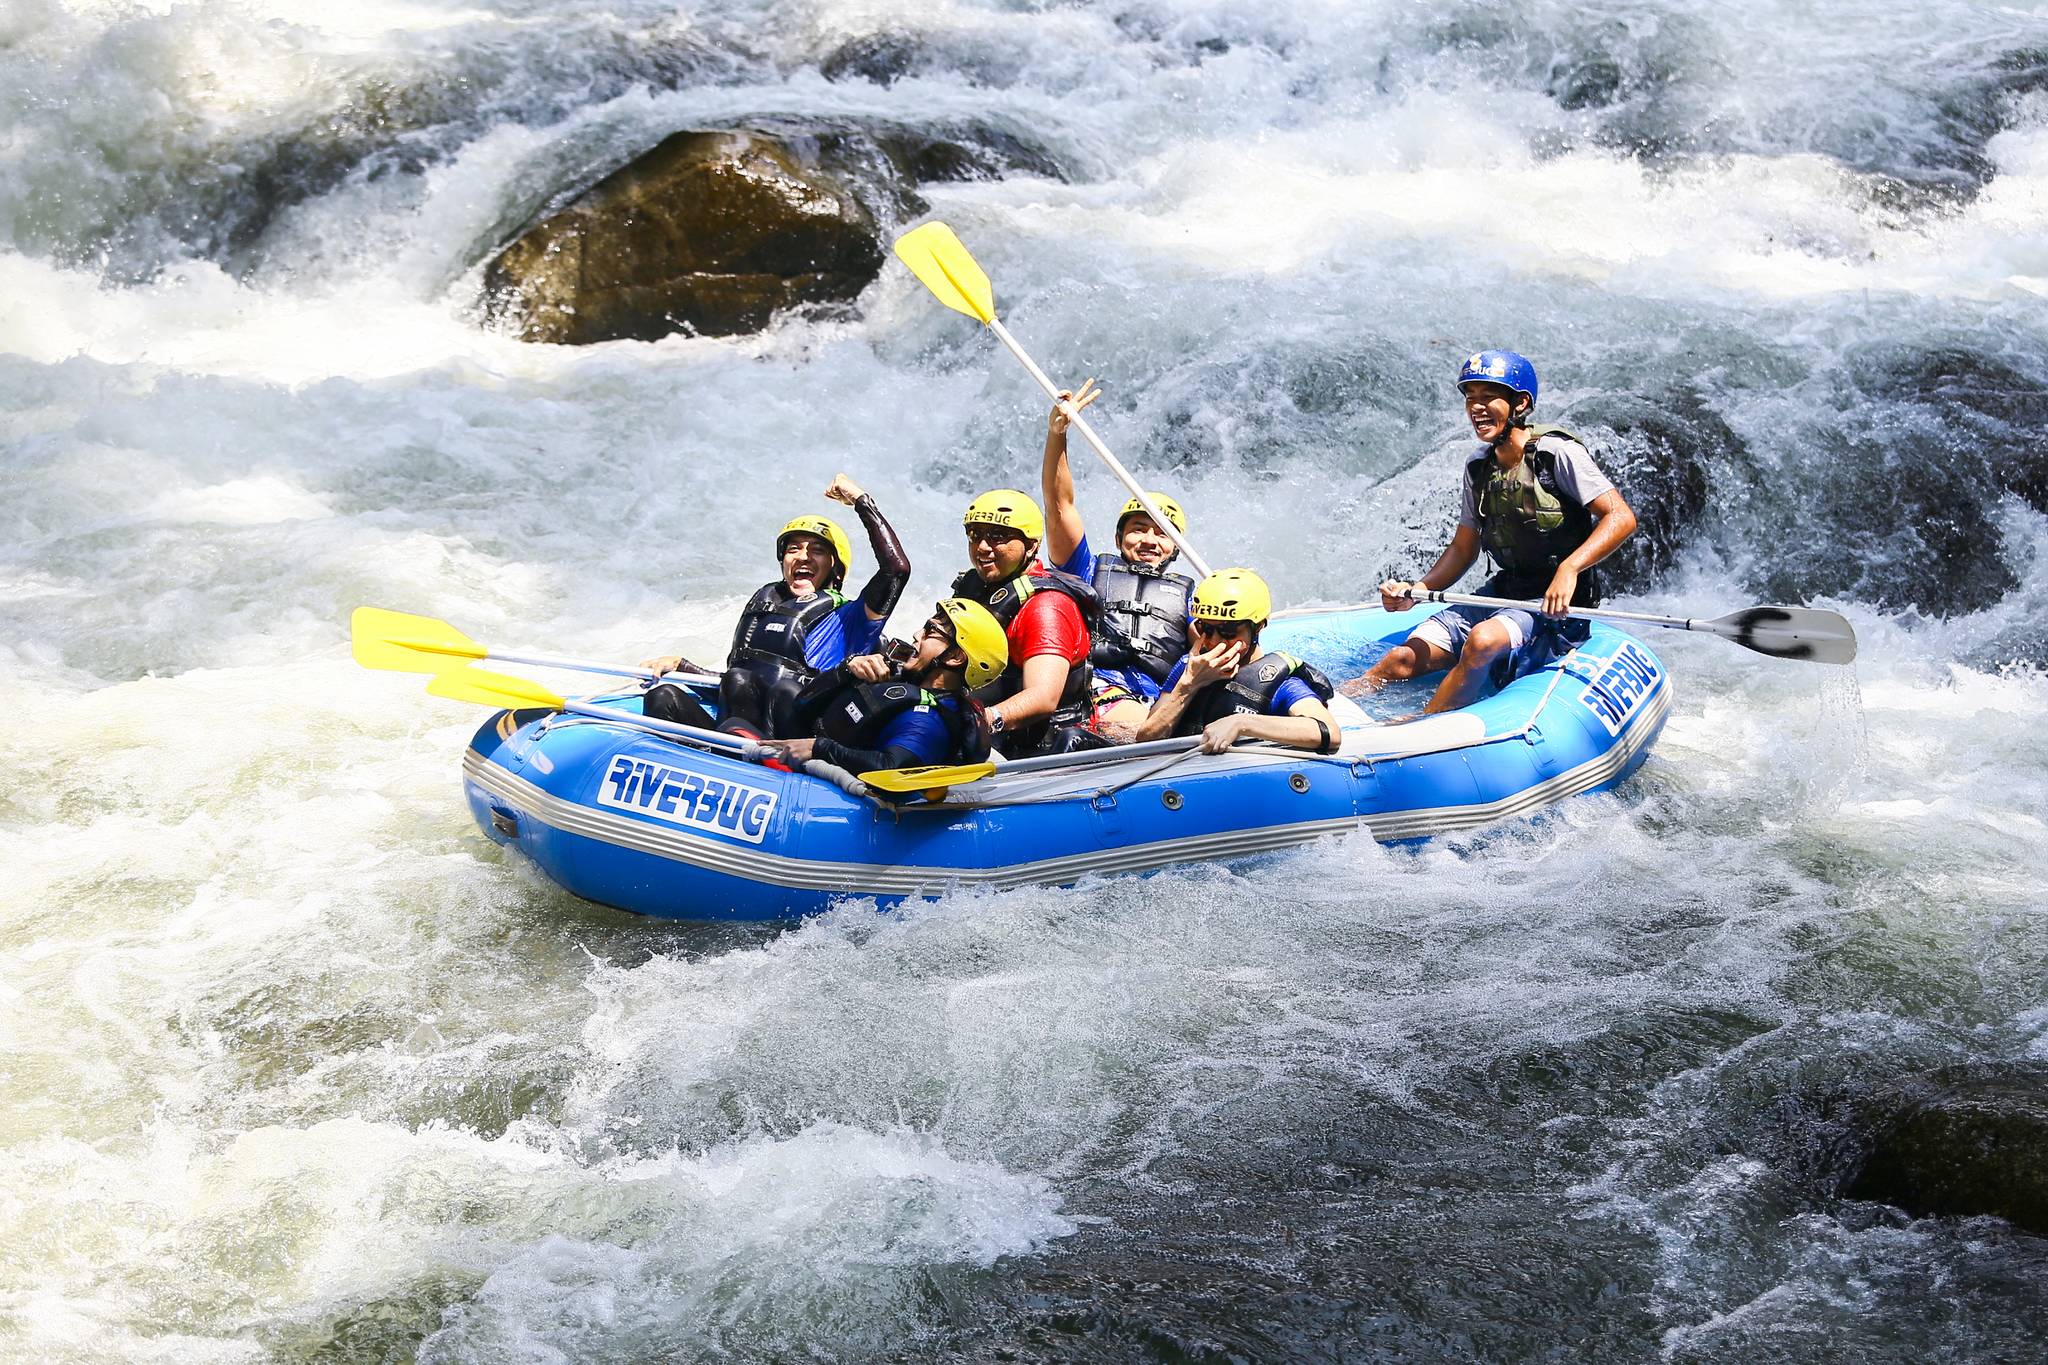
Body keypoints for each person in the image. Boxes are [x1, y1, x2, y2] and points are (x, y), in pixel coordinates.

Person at [1340, 350, 1637, 714]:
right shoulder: (1479, 466)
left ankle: (1420, 726)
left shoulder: (1556, 454)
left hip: (1555, 607)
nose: (1476, 408)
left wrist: (1569, 569)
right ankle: (1333, 707)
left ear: (1520, 403)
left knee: (1481, 641)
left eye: (1487, 397)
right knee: (1400, 659)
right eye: (1470, 398)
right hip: (1503, 592)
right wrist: (1418, 590)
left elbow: (1621, 517)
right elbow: (1465, 548)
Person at [642, 473, 911, 738]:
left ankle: (742, 753)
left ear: (836, 571)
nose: (803, 557)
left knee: (746, 681)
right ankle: (717, 755)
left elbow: (896, 570)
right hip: (740, 730)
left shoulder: (851, 618)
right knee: (663, 696)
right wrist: (682, 666)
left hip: (792, 732)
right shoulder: (764, 605)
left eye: (817, 550)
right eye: (793, 549)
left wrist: (860, 500)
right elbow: (738, 688)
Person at [1038, 380, 1196, 739]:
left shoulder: (1190, 595)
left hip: (1162, 698)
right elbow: (1059, 505)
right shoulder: (1085, 570)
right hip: (1097, 690)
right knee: (1135, 727)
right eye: (1139, 529)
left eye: (1162, 534)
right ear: (1119, 537)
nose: (1149, 541)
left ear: (1176, 549)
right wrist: (1057, 437)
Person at [760, 598, 1008, 791]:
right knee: (783, 691)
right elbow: (802, 703)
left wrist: (821, 748)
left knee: (740, 696)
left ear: (955, 657)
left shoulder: (928, 721)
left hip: (839, 790)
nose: (916, 635)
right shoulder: (901, 680)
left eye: (930, 631)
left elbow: (892, 769)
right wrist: (847, 669)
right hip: (829, 746)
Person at [947, 488, 1104, 757]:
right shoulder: (975, 586)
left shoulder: (1048, 607)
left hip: (1034, 749)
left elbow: (1043, 697)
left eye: (997, 536)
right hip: (983, 726)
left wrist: (983, 720)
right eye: (975, 534)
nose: (983, 547)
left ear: (1031, 545)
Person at [1136, 568, 1341, 755]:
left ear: (1258, 627)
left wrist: (1241, 723)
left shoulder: (1280, 682)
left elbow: (1329, 733)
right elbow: (1147, 739)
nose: (1215, 641)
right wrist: (1190, 684)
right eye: (1205, 629)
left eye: (1228, 632)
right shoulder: (1188, 667)